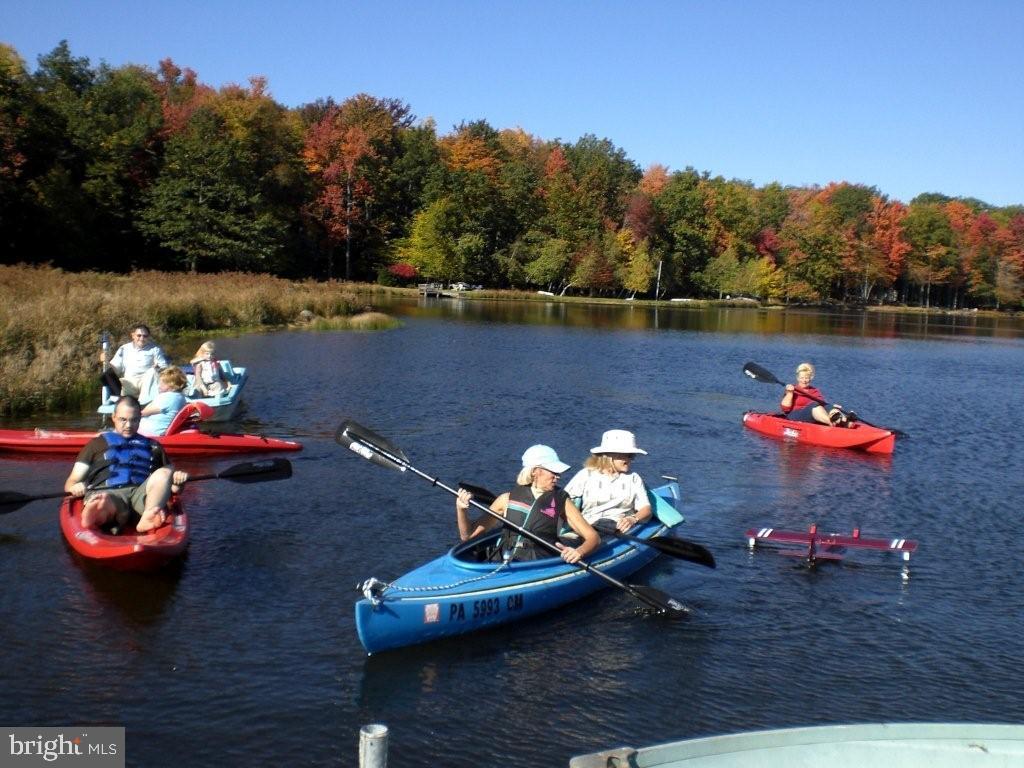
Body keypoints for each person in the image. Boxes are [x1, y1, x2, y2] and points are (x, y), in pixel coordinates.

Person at [455, 444, 599, 563]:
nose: (558, 476)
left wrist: (579, 551)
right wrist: (461, 510)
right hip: (503, 559)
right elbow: (467, 537)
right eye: (553, 471)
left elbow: (593, 538)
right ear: (535, 471)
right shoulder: (506, 499)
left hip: (538, 563)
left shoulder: (562, 501)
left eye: (558, 473)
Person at [64, 396, 188, 533]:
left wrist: (179, 482)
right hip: (109, 493)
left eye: (134, 420)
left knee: (166, 471)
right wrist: (75, 487)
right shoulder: (96, 444)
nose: (129, 425)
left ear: (140, 419)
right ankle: (99, 511)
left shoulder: (154, 446)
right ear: (114, 417)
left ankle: (148, 515)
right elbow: (72, 481)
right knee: (104, 499)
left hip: (142, 497)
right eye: (123, 419)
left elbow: (172, 489)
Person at [564, 430, 653, 533]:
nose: (630, 459)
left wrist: (633, 519)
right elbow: (562, 500)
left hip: (618, 528)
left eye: (632, 455)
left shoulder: (633, 478)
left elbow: (646, 509)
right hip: (588, 528)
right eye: (627, 455)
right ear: (609, 456)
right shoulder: (586, 475)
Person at [104, 324, 169, 402]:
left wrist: (158, 368)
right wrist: (106, 360)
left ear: (148, 337)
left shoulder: (155, 349)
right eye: (139, 335)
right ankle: (121, 400)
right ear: (133, 336)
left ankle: (144, 402)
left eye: (145, 336)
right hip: (129, 382)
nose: (142, 338)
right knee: (107, 374)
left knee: (152, 371)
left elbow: (165, 368)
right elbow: (116, 369)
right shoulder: (124, 348)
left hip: (146, 383)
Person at [780, 362, 847, 427]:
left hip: (811, 415)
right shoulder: (792, 389)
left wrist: (832, 407)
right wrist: (790, 393)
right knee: (814, 405)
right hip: (794, 416)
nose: (804, 380)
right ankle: (831, 423)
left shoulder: (815, 391)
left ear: (810, 379)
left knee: (828, 406)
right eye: (802, 378)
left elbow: (823, 404)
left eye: (806, 378)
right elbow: (785, 409)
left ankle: (844, 420)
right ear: (797, 378)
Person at [139, 366, 189, 436]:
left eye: (162, 383)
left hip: (149, 432)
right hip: (158, 431)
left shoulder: (167, 397)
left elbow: (144, 413)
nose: (158, 386)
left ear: (171, 384)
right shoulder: (181, 397)